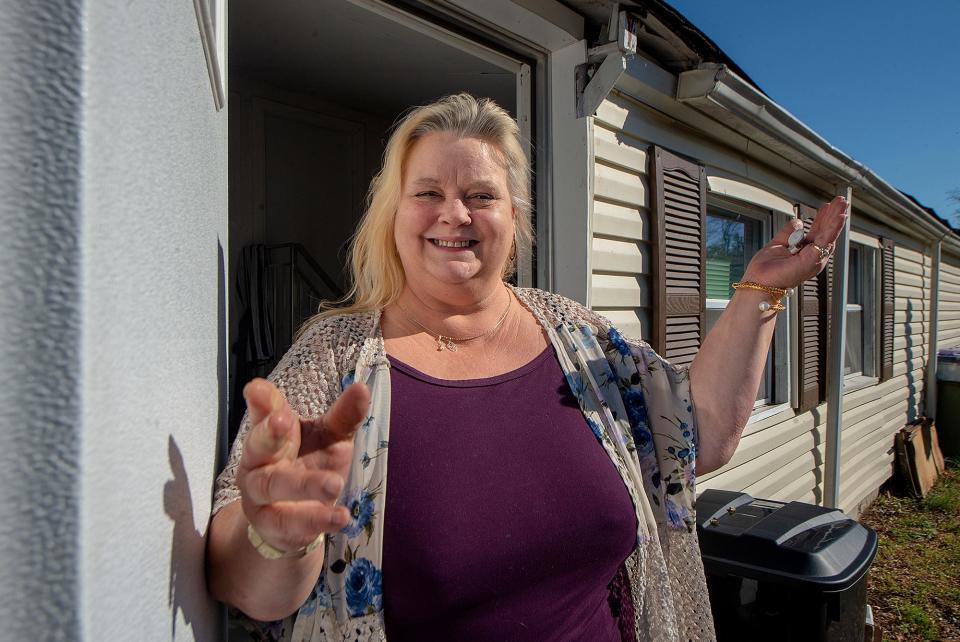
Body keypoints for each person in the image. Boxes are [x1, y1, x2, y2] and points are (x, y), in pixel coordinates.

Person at [206, 93, 847, 641]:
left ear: (514, 216)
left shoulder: (578, 337)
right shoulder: (333, 358)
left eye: (480, 195)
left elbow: (699, 431)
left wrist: (759, 292)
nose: (454, 214)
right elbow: (252, 590)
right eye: (427, 191)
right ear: (394, 215)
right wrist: (276, 538)